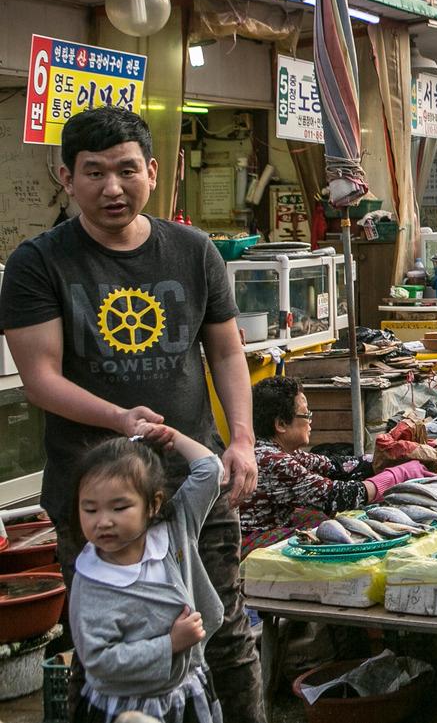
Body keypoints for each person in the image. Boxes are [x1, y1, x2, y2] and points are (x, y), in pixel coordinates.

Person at [0, 107, 263, 723]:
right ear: (67, 178)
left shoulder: (195, 251)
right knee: (105, 652)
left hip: (192, 487)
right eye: (93, 173)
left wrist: (243, 439)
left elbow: (226, 350)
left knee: (222, 636)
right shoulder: (39, 262)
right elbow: (40, 378)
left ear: (152, 171)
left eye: (125, 170)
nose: (111, 188)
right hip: (94, 499)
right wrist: (120, 419)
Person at [68, 427, 224, 723]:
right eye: (89, 509)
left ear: (153, 505)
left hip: (185, 692)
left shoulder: (175, 531)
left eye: (120, 507)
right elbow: (99, 660)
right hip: (125, 707)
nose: (103, 522)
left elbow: (209, 470)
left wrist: (173, 436)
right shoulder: (93, 579)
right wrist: (170, 644)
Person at [238, 377, 431, 552]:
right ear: (280, 424)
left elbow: (334, 466)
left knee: (320, 520)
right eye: (306, 416)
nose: (310, 422)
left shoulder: (275, 449)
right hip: (248, 543)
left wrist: (382, 458)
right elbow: (337, 496)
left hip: (274, 524)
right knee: (320, 535)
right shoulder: (272, 461)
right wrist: (397, 475)